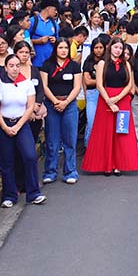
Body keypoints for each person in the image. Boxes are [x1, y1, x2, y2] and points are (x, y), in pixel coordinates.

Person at [0, 54, 46, 206]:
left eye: (17, 65)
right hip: (4, 124)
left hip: (22, 124)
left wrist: (17, 126)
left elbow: (30, 107)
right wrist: (4, 126)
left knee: (29, 156)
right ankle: (9, 195)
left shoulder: (27, 83)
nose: (15, 69)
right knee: (7, 161)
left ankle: (33, 193)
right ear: (6, 67)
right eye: (11, 65)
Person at [81, 38, 138, 175]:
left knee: (121, 132)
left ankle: (119, 164)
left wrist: (117, 99)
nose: (118, 50)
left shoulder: (127, 65)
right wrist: (109, 101)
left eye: (121, 48)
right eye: (116, 47)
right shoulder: (102, 63)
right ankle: (106, 164)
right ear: (110, 48)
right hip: (105, 99)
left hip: (122, 100)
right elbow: (99, 85)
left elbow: (129, 85)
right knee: (105, 133)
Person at [39, 38, 82, 183]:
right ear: (55, 49)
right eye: (60, 47)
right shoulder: (47, 65)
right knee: (52, 140)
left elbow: (77, 87)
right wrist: (56, 101)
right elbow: (44, 86)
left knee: (70, 140)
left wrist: (66, 102)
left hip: (69, 105)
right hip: (52, 104)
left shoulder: (74, 66)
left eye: (66, 47)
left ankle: (70, 172)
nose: (63, 50)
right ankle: (50, 172)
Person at [82, 35, 109, 142]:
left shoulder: (107, 62)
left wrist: (97, 82)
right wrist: (101, 81)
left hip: (105, 94)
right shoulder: (88, 62)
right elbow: (87, 81)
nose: (98, 50)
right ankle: (88, 146)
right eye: (96, 47)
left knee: (103, 123)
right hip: (92, 94)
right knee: (91, 121)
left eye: (101, 47)